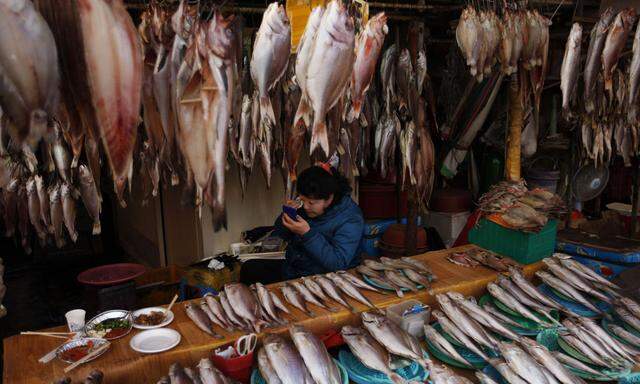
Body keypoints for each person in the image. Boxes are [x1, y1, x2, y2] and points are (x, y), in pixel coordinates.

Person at [240, 164, 365, 284]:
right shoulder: (307, 207)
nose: (305, 206)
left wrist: (307, 234)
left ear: (329, 198)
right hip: (296, 268)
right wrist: (287, 215)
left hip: (327, 278)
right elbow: (279, 235)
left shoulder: (351, 218)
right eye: (302, 200)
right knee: (250, 268)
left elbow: (338, 263)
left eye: (311, 203)